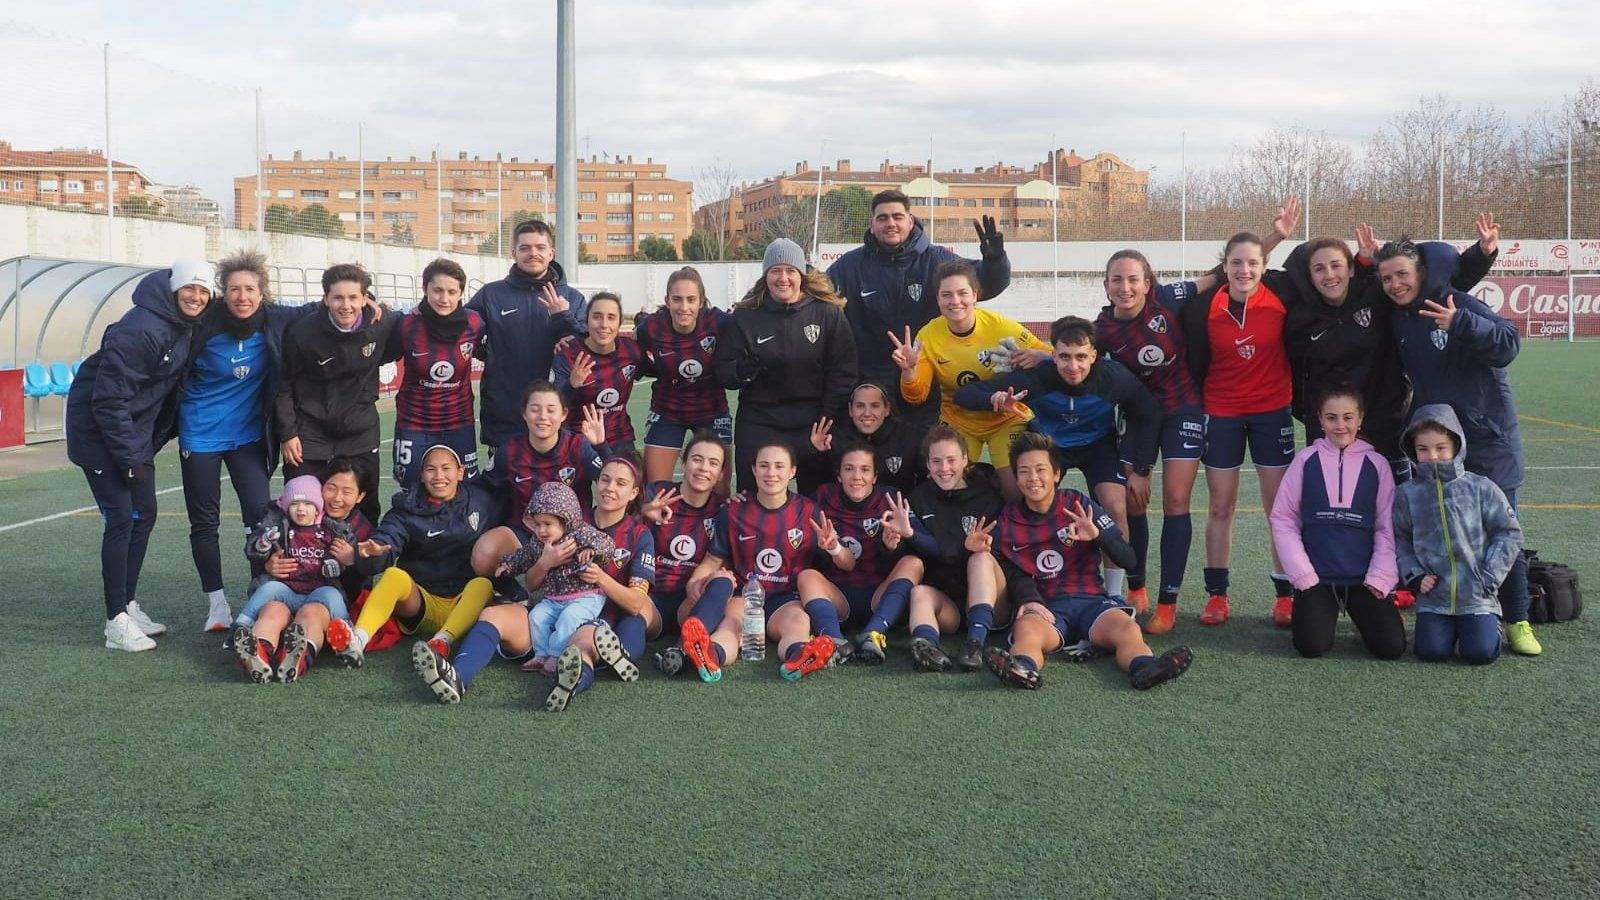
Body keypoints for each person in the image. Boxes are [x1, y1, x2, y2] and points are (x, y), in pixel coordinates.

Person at [1375, 236, 1542, 657]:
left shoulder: (1455, 303)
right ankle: (1451, 605)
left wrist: (1461, 324)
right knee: (1440, 525)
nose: (1395, 284)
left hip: (1487, 441)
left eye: (1402, 275)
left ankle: (1518, 617)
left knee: (1502, 528)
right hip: (1439, 444)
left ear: (1421, 274)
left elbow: (1508, 344)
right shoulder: (1401, 317)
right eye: (1387, 278)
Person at [952, 315, 1160, 609]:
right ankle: (1037, 583)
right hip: (1051, 448)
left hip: (1097, 446)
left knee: (1115, 504)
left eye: (1080, 357)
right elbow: (965, 393)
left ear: (1094, 356)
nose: (1072, 366)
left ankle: (1117, 593)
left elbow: (1149, 412)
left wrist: (1142, 468)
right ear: (1053, 354)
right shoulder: (1036, 377)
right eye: (1064, 357)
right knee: (1033, 504)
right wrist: (995, 398)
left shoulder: (1113, 377)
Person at [67, 260, 215, 651]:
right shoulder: (142, 328)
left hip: (132, 434)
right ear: (173, 290)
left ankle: (127, 605)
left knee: (143, 514)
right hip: (99, 432)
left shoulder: (183, 324)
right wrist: (131, 458)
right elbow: (109, 400)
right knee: (121, 517)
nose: (196, 297)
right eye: (190, 289)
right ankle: (115, 620)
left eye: (204, 291)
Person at [988, 432, 1193, 691]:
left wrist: (1098, 536)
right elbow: (1005, 570)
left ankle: (1145, 668)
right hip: (1046, 608)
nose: (1033, 478)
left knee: (1126, 628)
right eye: (1024, 471)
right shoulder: (1008, 520)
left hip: (1090, 602)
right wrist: (1029, 601)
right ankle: (1022, 669)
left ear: (1056, 474)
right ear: (1016, 478)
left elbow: (1129, 560)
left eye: (1041, 469)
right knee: (1027, 630)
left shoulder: (1078, 504)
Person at [1281, 215, 1497, 457]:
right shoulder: (1300, 317)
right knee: (1331, 493)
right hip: (1331, 428)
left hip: (1384, 424)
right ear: (1309, 276)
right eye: (1319, 269)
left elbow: (1440, 285)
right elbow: (1294, 374)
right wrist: (1313, 414)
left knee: (1388, 491)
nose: (1329, 275)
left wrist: (1481, 254)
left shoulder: (1377, 294)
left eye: (1336, 265)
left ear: (1351, 268)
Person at [180, 250, 312, 631]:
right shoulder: (203, 323)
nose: (243, 297)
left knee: (260, 517)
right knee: (204, 522)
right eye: (234, 289)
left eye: (250, 289)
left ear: (262, 292)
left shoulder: (274, 319)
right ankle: (216, 604)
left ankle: (259, 590)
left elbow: (316, 311)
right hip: (200, 433)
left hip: (249, 436)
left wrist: (374, 305)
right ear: (223, 292)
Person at [1178, 230, 1304, 629]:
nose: (1245, 269)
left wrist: (1278, 234)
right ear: (1225, 266)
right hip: (1223, 411)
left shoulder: (1281, 296)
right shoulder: (1205, 306)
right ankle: (1217, 594)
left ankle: (1285, 594)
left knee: (1278, 509)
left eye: (1253, 262)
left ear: (1264, 266)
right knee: (1220, 506)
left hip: (1272, 411)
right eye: (1236, 262)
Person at [1091, 249, 1217, 634]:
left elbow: (1221, 272)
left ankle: (1168, 603)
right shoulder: (1103, 329)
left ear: (1148, 284)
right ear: (1107, 285)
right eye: (1117, 279)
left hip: (1183, 410)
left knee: (1176, 500)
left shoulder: (1169, 298)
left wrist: (1275, 235)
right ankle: (1137, 587)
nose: (1125, 287)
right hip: (1138, 418)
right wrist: (1038, 356)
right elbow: (1072, 356)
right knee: (1132, 501)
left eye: (1133, 279)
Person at [827, 189, 1011, 427]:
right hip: (871, 386)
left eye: (897, 216)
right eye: (882, 218)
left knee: (924, 458)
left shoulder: (937, 260)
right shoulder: (850, 266)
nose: (890, 223)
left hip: (927, 384)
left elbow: (985, 283)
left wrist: (996, 262)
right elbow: (818, 295)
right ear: (872, 224)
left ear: (910, 220)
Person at [681, 442, 850, 681]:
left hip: (785, 598)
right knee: (731, 625)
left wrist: (833, 548)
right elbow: (713, 558)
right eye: (764, 466)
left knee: (798, 622)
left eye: (779, 466)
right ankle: (710, 656)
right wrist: (695, 583)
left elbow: (846, 563)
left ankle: (800, 658)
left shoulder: (809, 511)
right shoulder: (734, 510)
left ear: (792, 472)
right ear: (753, 470)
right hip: (744, 596)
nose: (771, 473)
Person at [892, 260, 1050, 501]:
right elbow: (916, 395)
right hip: (959, 419)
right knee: (953, 488)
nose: (955, 301)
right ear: (937, 299)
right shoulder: (928, 336)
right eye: (947, 295)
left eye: (962, 293)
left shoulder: (999, 326)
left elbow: (1048, 355)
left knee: (1015, 491)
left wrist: (1040, 355)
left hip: (1005, 418)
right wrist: (909, 371)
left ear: (975, 295)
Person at [1267, 388, 1405, 660]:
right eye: (1332, 418)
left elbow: (1386, 527)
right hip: (1318, 578)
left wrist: (1380, 577)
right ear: (1320, 420)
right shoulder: (1305, 460)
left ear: (1360, 419)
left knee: (1391, 648)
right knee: (1311, 646)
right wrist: (1303, 575)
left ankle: (1363, 616)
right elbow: (1283, 519)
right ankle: (1319, 609)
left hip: (1364, 580)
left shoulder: (1377, 464)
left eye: (1348, 417)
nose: (1340, 425)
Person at [326, 446, 496, 664]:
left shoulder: (480, 501)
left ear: (460, 472)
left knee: (483, 584)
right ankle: (357, 640)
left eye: (446, 468)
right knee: (394, 575)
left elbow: (502, 538)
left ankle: (441, 642)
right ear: (422, 475)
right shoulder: (405, 509)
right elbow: (387, 538)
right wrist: (375, 551)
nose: (439, 476)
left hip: (463, 601)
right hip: (420, 602)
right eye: (431, 470)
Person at [714, 238, 857, 494]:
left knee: (817, 500)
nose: (783, 278)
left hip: (812, 422)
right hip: (760, 422)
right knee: (754, 499)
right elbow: (724, 371)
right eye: (775, 271)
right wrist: (741, 371)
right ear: (765, 276)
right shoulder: (746, 316)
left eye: (790, 270)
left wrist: (827, 417)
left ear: (801, 274)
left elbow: (843, 372)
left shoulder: (827, 313)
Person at [1393, 405, 1523, 664]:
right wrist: (1415, 575)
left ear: (1456, 446)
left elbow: (1509, 533)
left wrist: (1488, 576)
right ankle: (1446, 629)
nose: (1432, 456)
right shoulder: (1408, 494)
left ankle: (1489, 625)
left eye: (1440, 448)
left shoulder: (1480, 488)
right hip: (1434, 598)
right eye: (1423, 449)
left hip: (1477, 594)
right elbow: (1400, 540)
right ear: (1412, 451)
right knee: (1430, 652)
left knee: (1481, 653)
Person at [275, 262, 399, 523]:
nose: (346, 305)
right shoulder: (303, 332)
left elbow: (413, 328)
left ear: (365, 298)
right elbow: (283, 385)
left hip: (360, 433)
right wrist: (288, 433)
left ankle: (361, 564)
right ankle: (306, 562)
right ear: (325, 299)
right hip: (310, 434)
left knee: (364, 510)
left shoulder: (382, 323)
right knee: (303, 508)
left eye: (354, 297)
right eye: (338, 297)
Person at [472, 381, 607, 593]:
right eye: (535, 409)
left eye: (550, 410)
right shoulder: (510, 450)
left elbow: (612, 482)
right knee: (483, 555)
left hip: (572, 538)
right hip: (526, 533)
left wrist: (601, 447)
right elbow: (484, 488)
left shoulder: (578, 447)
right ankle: (515, 595)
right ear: (524, 414)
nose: (543, 416)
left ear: (563, 414)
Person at [467, 219, 585, 461]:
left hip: (558, 416)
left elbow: (589, 347)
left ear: (551, 252)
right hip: (505, 416)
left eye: (540, 248)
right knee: (505, 493)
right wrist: (490, 352)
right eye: (525, 248)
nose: (533, 253)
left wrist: (563, 317)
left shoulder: (573, 298)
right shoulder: (491, 294)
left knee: (556, 491)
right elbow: (461, 332)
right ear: (514, 253)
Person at [898, 424, 1011, 672]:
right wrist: (903, 536)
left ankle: (974, 645)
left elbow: (1005, 555)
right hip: (950, 605)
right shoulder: (918, 498)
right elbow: (924, 549)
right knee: (920, 593)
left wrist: (971, 549)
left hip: (992, 605)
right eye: (936, 461)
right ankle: (926, 647)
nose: (944, 468)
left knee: (980, 558)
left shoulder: (988, 497)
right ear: (927, 465)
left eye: (951, 460)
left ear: (965, 460)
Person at [549, 456, 656, 710]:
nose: (610, 488)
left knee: (636, 616)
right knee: (583, 646)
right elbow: (537, 580)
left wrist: (601, 578)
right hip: (584, 613)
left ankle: (619, 654)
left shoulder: (640, 534)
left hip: (622, 609)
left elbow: (635, 602)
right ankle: (572, 684)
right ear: (596, 483)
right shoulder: (573, 523)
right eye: (605, 479)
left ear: (633, 493)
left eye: (620, 483)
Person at [232, 475, 356, 682]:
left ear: (318, 507)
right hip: (285, 591)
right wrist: (264, 546)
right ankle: (256, 652)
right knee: (271, 609)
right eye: (295, 504)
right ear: (285, 506)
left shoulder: (332, 528)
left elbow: (345, 558)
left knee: (323, 603)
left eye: (308, 503)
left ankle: (343, 640)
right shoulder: (277, 525)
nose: (301, 509)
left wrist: (339, 563)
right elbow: (254, 548)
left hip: (317, 594)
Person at [810, 443, 924, 665]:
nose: (856, 476)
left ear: (874, 476)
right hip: (837, 596)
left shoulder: (890, 499)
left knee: (913, 562)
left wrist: (891, 546)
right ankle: (834, 640)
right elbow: (791, 508)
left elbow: (902, 553)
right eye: (849, 469)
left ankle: (874, 632)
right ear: (839, 475)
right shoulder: (823, 496)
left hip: (878, 596)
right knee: (807, 576)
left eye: (864, 470)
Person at [493, 481, 614, 674]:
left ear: (566, 521)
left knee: (569, 618)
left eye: (548, 524)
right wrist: (508, 564)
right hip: (554, 599)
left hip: (585, 596)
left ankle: (557, 655)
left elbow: (606, 543)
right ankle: (540, 655)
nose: (542, 530)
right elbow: (524, 556)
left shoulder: (580, 534)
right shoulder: (538, 543)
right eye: (538, 524)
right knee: (536, 616)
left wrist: (592, 550)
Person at [388, 258, 485, 487]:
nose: (444, 298)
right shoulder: (406, 325)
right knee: (411, 488)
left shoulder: (475, 323)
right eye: (437, 290)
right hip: (414, 424)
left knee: (465, 490)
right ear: (424, 289)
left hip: (459, 423)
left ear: (461, 293)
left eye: (452, 291)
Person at [643, 433, 732, 679]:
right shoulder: (657, 493)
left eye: (713, 463)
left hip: (691, 602)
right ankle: (613, 652)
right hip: (652, 598)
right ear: (684, 463)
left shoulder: (725, 510)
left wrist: (695, 583)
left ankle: (685, 647)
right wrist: (643, 512)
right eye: (697, 459)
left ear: (722, 473)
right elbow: (622, 526)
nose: (703, 468)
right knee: (632, 622)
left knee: (723, 581)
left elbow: (714, 560)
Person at [634, 267, 733, 489]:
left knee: (718, 491)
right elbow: (628, 353)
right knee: (655, 490)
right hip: (667, 410)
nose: (684, 307)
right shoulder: (650, 327)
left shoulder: (719, 322)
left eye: (691, 299)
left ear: (701, 301)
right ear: (667, 300)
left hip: (712, 411)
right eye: (677, 299)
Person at [552, 291, 644, 458]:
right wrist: (571, 385)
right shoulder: (568, 353)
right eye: (597, 316)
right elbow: (555, 405)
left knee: (628, 481)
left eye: (611, 317)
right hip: (578, 439)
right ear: (586, 320)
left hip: (619, 437)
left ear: (620, 323)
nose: (604, 324)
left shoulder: (631, 351)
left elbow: (659, 369)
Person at [808, 382, 923, 497]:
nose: (867, 413)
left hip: (896, 510)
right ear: (850, 410)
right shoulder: (834, 440)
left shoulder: (908, 437)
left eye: (875, 406)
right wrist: (814, 451)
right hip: (847, 512)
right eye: (860, 406)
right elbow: (816, 486)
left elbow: (925, 481)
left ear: (887, 409)